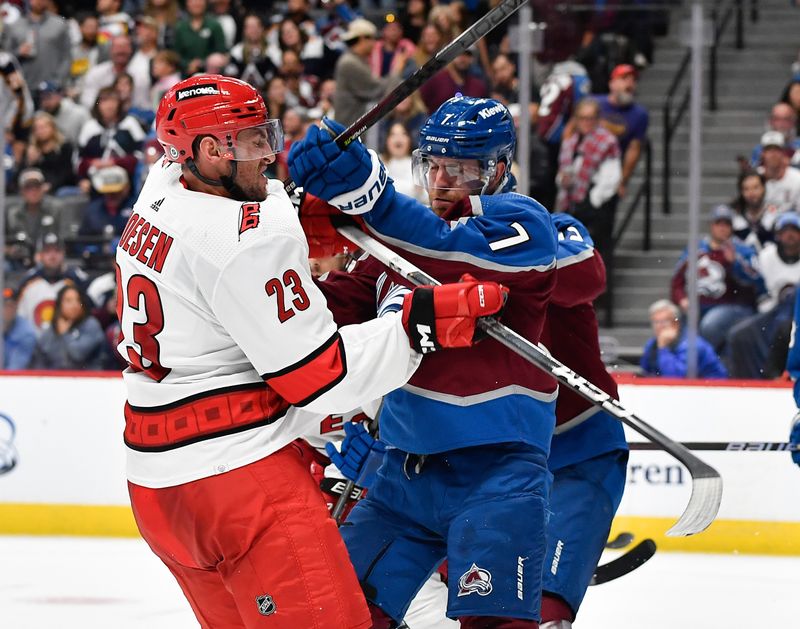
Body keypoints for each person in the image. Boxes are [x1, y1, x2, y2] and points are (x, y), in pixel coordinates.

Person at [119, 75, 504, 629]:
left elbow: (233, 221)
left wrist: (291, 205)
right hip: (240, 484)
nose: (268, 154)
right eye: (251, 141)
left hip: (158, 490)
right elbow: (321, 375)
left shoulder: (160, 189)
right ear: (208, 150)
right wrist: (415, 325)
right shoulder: (247, 242)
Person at [289, 96, 559, 628]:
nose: (440, 181)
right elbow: (321, 314)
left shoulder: (524, 226)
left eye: (458, 169)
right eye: (432, 166)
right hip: (402, 475)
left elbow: (445, 248)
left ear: (498, 169)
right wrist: (281, 233)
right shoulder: (392, 249)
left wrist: (370, 200)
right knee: (339, 615)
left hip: (496, 474)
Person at [670, 204, 765, 354]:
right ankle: (682, 369)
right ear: (711, 225)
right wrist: (682, 299)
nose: (722, 228)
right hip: (697, 305)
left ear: (732, 227)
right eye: (718, 223)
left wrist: (735, 264)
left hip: (733, 306)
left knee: (710, 325)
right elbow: (677, 282)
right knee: (674, 323)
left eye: (726, 224)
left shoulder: (742, 250)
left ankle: (703, 366)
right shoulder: (696, 249)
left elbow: (758, 284)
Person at [727, 212, 800, 379]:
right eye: (785, 230)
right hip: (770, 311)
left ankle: (776, 374)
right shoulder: (767, 255)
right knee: (739, 335)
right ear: (778, 235)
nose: (790, 235)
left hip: (796, 314)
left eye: (794, 230)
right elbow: (758, 286)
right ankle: (748, 382)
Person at [557, 97, 622, 258]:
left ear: (597, 119)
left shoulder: (607, 141)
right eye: (582, 118)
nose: (586, 122)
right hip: (572, 204)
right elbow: (563, 170)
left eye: (590, 118)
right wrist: (562, 180)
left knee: (596, 251)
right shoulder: (571, 142)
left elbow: (611, 179)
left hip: (595, 208)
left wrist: (593, 201)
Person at [334, 18, 406, 127]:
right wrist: (397, 71)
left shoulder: (357, 60)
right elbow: (376, 90)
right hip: (350, 128)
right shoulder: (349, 63)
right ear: (363, 39)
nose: (375, 43)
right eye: (373, 39)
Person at [15, 232, 88, 333]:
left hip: (70, 341)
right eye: (47, 251)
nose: (52, 256)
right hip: (34, 344)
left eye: (57, 251)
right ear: (40, 255)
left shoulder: (77, 279)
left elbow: (87, 314)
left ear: (63, 253)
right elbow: (18, 317)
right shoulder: (28, 281)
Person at [596, 64, 649, 199]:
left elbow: (634, 149)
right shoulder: (594, 103)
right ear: (611, 84)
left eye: (633, 80)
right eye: (624, 78)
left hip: (610, 170)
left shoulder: (639, 114)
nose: (630, 83)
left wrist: (622, 181)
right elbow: (572, 132)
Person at [640, 299, 728, 379]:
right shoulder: (652, 344)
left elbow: (675, 378)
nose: (659, 326)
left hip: (714, 391)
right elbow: (647, 373)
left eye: (664, 321)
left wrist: (663, 349)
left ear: (676, 323)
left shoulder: (693, 344)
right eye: (656, 322)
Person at [29, 284, 105, 370]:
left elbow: (78, 355)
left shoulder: (91, 325)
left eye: (78, 300)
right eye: (69, 301)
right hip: (54, 380)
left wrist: (65, 334)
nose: (74, 305)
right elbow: (39, 360)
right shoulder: (51, 330)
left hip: (89, 380)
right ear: (59, 305)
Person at [760, 130, 800, 214]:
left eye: (776, 150)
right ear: (762, 153)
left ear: (783, 152)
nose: (773, 154)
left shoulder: (797, 178)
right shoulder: (756, 177)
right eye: (768, 150)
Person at [2, 286, 36, 370]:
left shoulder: (26, 332)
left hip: (16, 380)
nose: (6, 309)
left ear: (17, 306)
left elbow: (15, 369)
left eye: (10, 305)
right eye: (3, 305)